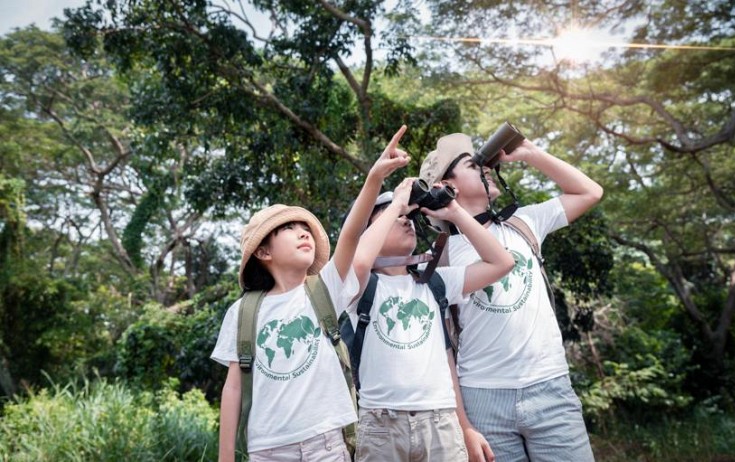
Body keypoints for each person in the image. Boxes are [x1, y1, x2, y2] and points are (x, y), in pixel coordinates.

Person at [210, 126, 411, 462]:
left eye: (305, 228)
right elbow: (233, 387)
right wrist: (225, 457)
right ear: (263, 252)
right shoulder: (243, 312)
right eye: (288, 229)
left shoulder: (324, 289)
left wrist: (373, 179)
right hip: (268, 451)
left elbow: (350, 235)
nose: (302, 233)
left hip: (327, 446)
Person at [419, 133, 604, 462]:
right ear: (449, 185)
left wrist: (531, 153)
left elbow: (590, 192)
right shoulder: (440, 256)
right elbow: (442, 348)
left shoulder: (524, 223)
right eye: (473, 165)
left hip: (550, 386)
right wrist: (464, 425)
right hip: (482, 396)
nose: (486, 169)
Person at [342, 162, 515, 460]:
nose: (406, 220)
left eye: (410, 216)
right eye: (394, 217)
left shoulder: (433, 280)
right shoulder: (356, 285)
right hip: (382, 423)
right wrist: (397, 201)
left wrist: (454, 213)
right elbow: (358, 261)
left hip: (441, 420)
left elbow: (502, 263)